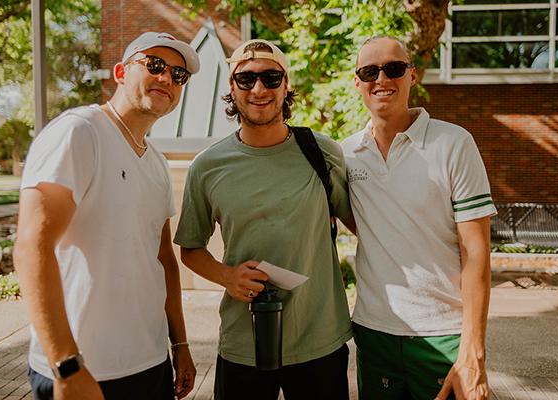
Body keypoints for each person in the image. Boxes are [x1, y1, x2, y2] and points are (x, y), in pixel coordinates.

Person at [14, 32, 200, 400]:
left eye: (179, 75)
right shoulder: (79, 132)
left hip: (150, 365)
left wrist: (179, 346)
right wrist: (66, 366)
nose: (167, 78)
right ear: (119, 72)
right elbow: (31, 246)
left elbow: (163, 260)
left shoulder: (159, 164)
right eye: (155, 65)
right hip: (83, 370)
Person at [174, 39, 355, 400]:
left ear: (286, 85)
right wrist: (227, 276)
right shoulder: (207, 166)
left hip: (320, 342)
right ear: (232, 87)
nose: (259, 89)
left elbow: (365, 226)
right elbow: (190, 250)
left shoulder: (322, 152)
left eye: (271, 78)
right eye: (247, 79)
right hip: (244, 344)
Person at [342, 35, 496, 400]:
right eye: (370, 71)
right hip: (373, 332)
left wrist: (473, 353)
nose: (381, 79)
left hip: (443, 334)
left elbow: (477, 253)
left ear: (412, 75)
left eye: (393, 69)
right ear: (357, 81)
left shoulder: (454, 143)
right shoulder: (345, 153)